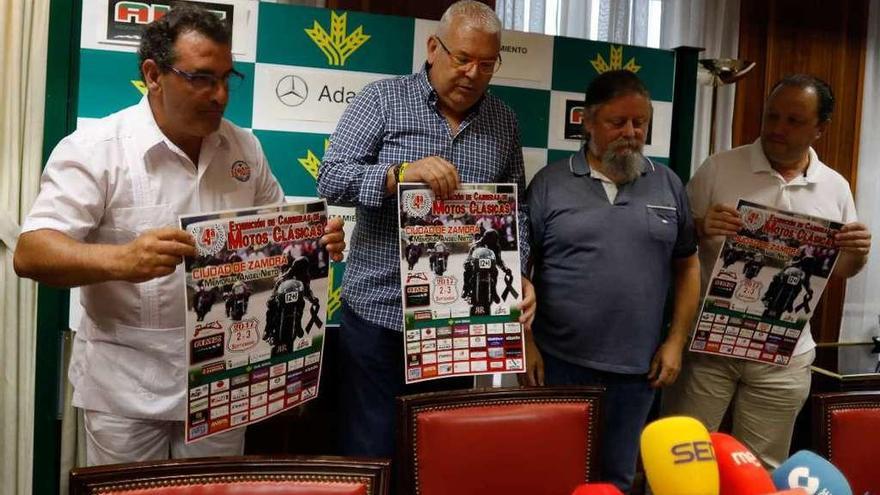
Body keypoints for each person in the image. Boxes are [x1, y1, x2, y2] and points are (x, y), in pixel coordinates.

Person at [13, 5, 345, 466]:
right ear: (153, 74)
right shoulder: (96, 149)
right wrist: (121, 260)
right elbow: (31, 252)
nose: (221, 95)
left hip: (224, 378)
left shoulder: (244, 146)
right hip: (126, 388)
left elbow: (280, 235)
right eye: (202, 78)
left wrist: (314, 244)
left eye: (228, 78)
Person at [317, 0, 536, 458]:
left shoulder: (504, 120)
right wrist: (399, 174)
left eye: (487, 64)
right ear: (434, 48)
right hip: (380, 315)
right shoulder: (381, 100)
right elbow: (331, 178)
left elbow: (515, 212)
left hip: (457, 320)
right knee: (371, 450)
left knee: (437, 455)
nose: (473, 73)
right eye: (462, 58)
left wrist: (522, 275)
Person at [663, 74, 872, 468]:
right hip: (711, 343)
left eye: (794, 121)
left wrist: (858, 253)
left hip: (783, 351)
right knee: (684, 461)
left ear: (820, 129)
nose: (777, 128)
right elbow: (675, 242)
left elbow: (841, 269)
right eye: (772, 116)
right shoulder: (720, 167)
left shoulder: (835, 187)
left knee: (761, 469)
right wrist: (702, 225)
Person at [526, 70, 701, 492]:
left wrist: (675, 342)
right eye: (617, 122)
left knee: (618, 478)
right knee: (558, 473)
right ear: (587, 121)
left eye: (640, 123)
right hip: (559, 363)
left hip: (638, 369)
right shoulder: (550, 183)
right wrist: (525, 344)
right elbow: (516, 269)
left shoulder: (668, 184)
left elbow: (688, 266)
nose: (631, 133)